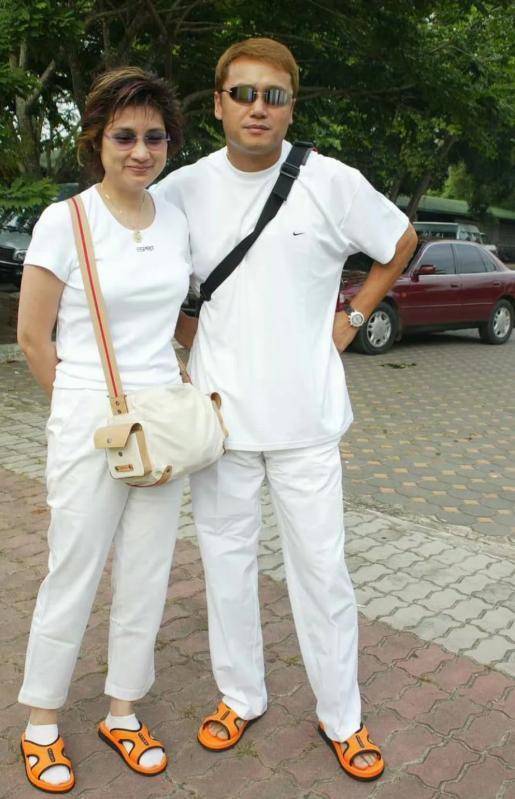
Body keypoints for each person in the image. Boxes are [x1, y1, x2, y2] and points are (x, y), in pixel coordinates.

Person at [158, 37, 417, 782]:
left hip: (307, 422)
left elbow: (400, 241)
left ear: (291, 107)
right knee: (226, 566)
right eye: (242, 93)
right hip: (219, 426)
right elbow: (152, 280)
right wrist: (195, 342)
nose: (257, 108)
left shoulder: (330, 181)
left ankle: (342, 716)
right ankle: (240, 696)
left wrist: (351, 319)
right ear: (217, 103)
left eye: (272, 95)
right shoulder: (182, 189)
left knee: (323, 574)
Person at [17, 67, 190, 793]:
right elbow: (33, 337)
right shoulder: (67, 220)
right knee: (75, 567)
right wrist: (83, 411)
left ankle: (123, 710)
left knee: (148, 571)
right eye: (124, 136)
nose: (140, 151)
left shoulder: (175, 219)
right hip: (92, 412)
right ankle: (41, 722)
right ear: (97, 141)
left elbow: (181, 316)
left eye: (154, 136)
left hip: (163, 415)